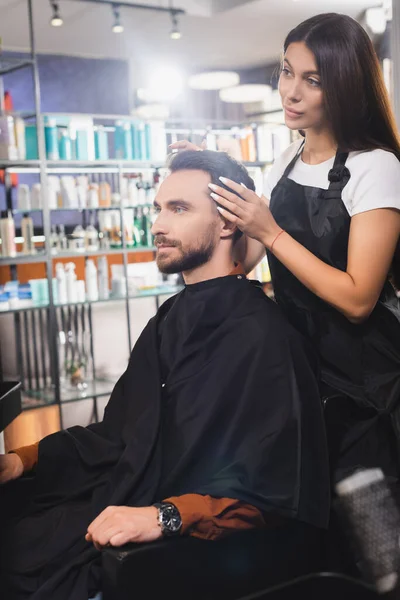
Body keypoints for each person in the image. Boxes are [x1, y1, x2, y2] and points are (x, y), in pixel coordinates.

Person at [0, 150, 330, 600]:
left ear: (229, 223)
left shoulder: (262, 337)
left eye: (179, 209)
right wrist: (24, 459)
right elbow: (119, 436)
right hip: (122, 500)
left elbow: (269, 490)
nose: (158, 225)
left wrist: (165, 515)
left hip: (184, 551)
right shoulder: (170, 318)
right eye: (157, 208)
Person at [172, 13, 400, 485]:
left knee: (377, 540)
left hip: (370, 389)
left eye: (312, 80)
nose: (290, 91)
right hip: (306, 379)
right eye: (286, 71)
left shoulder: (376, 168)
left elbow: (358, 300)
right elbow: (244, 263)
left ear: (343, 86)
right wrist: (207, 178)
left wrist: (271, 231)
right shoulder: (285, 163)